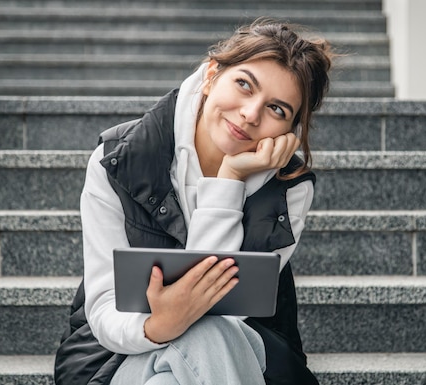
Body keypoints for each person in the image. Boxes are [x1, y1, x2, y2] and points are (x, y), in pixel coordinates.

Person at [54, 18, 334, 385]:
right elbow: (104, 310)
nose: (250, 114)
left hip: (238, 347)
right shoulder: (119, 160)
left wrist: (231, 178)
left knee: (205, 336)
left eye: (277, 110)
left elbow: (218, 314)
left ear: (289, 131)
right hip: (116, 354)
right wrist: (159, 324)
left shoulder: (289, 190)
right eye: (244, 85)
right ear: (211, 75)